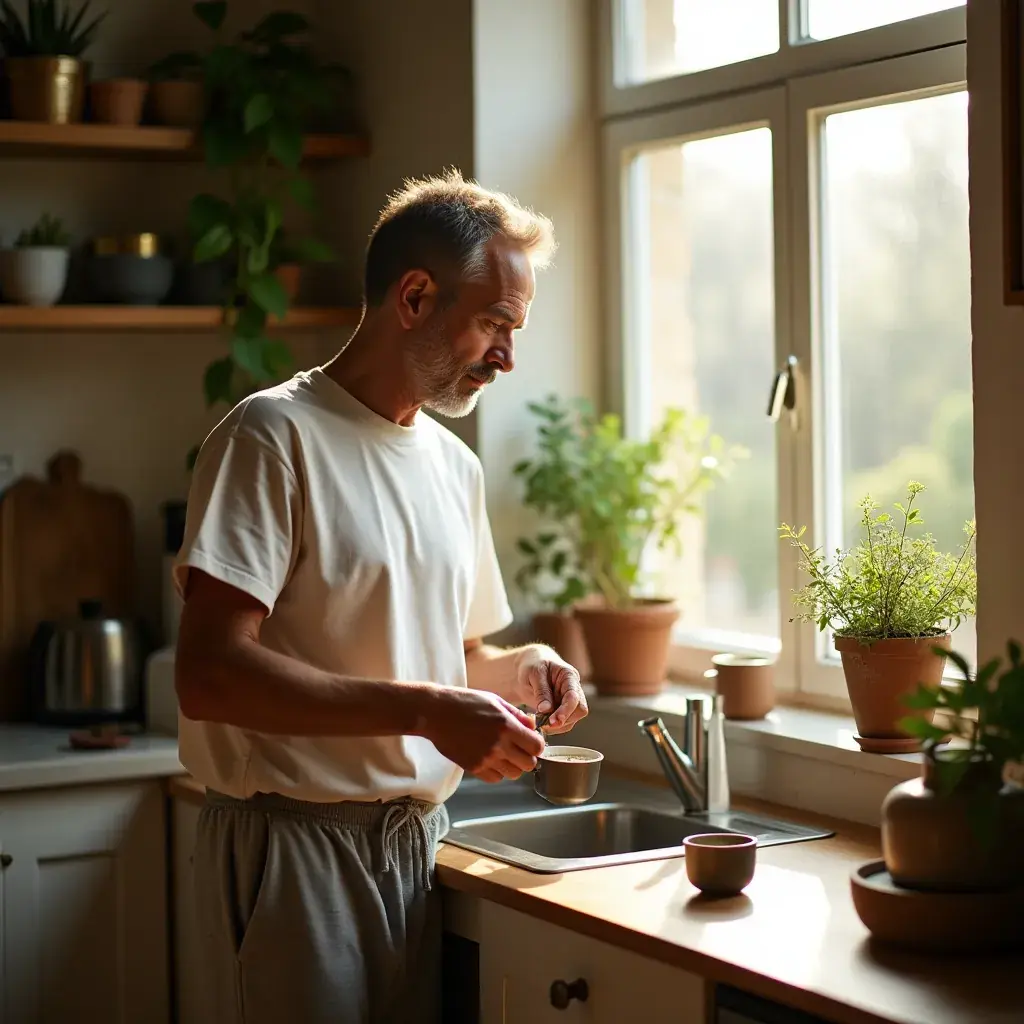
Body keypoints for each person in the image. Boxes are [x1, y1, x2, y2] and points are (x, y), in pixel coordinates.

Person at [173, 169, 589, 1024]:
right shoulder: (271, 436)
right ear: (414, 296)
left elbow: (459, 656)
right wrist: (432, 711)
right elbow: (210, 675)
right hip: (292, 851)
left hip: (413, 850)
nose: (509, 356)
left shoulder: (453, 466)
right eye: (496, 324)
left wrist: (521, 669)